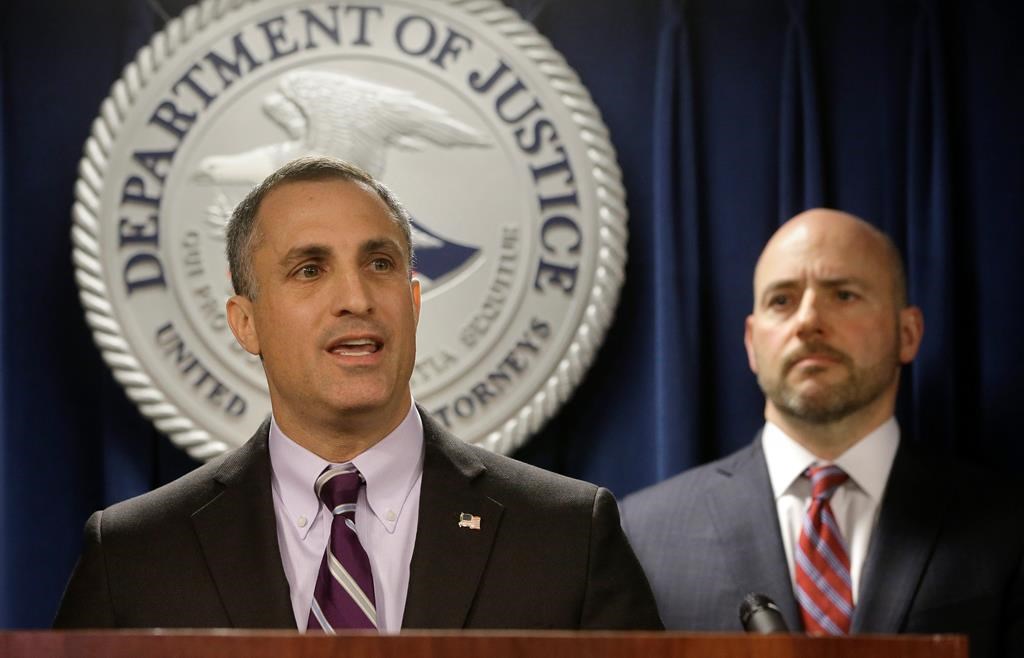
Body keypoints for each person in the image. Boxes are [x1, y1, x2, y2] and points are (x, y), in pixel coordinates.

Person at [55, 156, 662, 632]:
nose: (357, 299)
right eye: (310, 269)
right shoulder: (134, 555)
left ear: (414, 302)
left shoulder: (567, 535)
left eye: (379, 264)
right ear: (246, 323)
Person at [621, 208, 1023, 657]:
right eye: (782, 301)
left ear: (908, 333)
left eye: (844, 295)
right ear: (752, 344)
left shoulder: (1006, 527)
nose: (808, 320)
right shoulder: (640, 536)